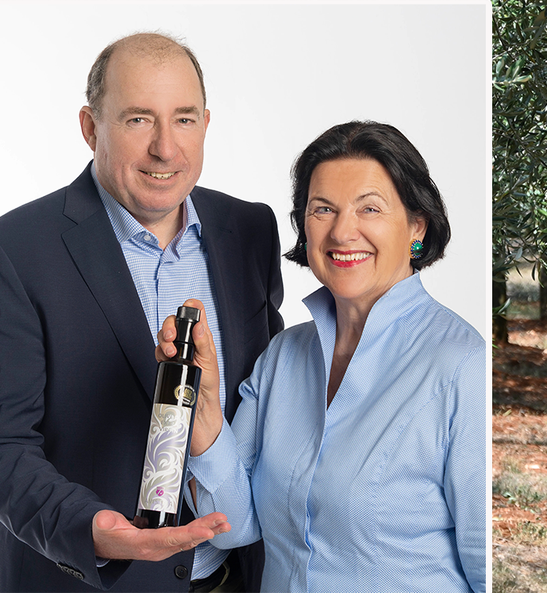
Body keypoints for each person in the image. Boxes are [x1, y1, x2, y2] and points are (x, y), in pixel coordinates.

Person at [0, 33, 286, 591]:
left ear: (206, 123)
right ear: (90, 128)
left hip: (230, 578)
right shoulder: (10, 251)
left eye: (184, 119)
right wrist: (90, 528)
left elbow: (267, 403)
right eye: (139, 119)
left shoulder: (250, 230)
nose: (166, 148)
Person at [158, 121, 486, 592]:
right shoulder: (283, 357)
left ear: (417, 226)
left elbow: (485, 564)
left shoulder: (462, 366)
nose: (343, 231)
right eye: (323, 209)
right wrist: (204, 404)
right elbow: (233, 525)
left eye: (369, 208)